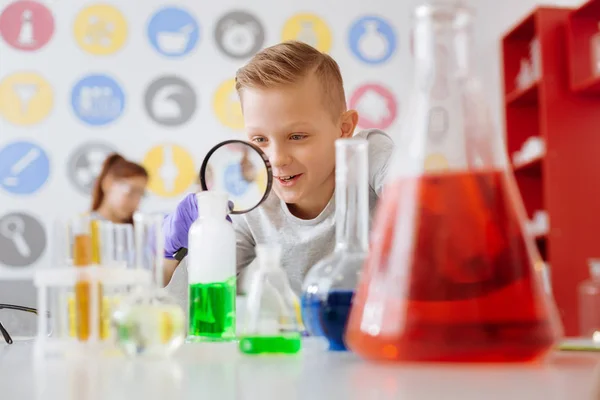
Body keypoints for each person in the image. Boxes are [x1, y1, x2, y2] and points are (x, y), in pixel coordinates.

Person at [162, 41, 394, 299]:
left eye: (297, 136)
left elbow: (422, 206)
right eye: (260, 139)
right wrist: (182, 247)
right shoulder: (254, 206)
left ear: (345, 128)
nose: (277, 159)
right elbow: (188, 303)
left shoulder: (369, 155)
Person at [90, 153, 149, 224]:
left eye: (141, 194)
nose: (136, 202)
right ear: (108, 183)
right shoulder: (84, 229)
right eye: (132, 191)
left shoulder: (139, 230)